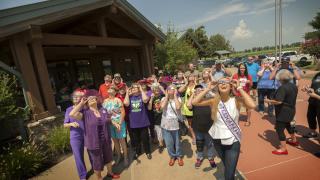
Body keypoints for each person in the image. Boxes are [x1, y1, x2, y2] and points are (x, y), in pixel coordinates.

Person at [192, 78, 256, 180]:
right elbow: (194, 102)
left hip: (233, 141)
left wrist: (239, 88)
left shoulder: (236, 100)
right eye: (220, 82)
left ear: (231, 86)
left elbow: (252, 105)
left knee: (229, 174)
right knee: (228, 166)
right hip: (217, 139)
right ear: (217, 87)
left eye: (226, 82)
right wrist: (207, 88)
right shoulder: (214, 101)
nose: (223, 84)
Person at [69, 89, 120, 180]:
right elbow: (72, 114)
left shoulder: (102, 110)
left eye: (93, 98)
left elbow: (108, 119)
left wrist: (115, 123)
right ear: (86, 102)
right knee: (97, 161)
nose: (92, 99)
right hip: (93, 142)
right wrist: (81, 103)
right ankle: (99, 178)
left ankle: (110, 173)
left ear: (97, 99)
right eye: (89, 99)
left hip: (106, 139)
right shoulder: (85, 114)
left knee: (108, 157)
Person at [265, 70, 299, 155]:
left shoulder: (282, 88)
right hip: (291, 110)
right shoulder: (294, 86)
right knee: (288, 125)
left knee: (279, 130)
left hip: (283, 112)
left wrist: (269, 101)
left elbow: (279, 101)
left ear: (280, 79)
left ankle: (283, 149)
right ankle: (294, 140)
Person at [187, 84, 216, 169]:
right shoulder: (194, 102)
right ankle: (200, 158)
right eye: (197, 90)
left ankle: (211, 158)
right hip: (198, 127)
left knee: (210, 144)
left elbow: (217, 97)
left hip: (209, 126)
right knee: (199, 144)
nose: (199, 90)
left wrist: (207, 90)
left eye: (201, 89)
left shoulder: (209, 100)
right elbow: (189, 105)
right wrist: (193, 94)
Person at [64, 89, 90, 180]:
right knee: (78, 156)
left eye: (77, 96)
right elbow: (65, 124)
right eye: (74, 96)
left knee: (91, 152)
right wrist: (71, 124)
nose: (75, 97)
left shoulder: (85, 108)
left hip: (87, 134)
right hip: (75, 136)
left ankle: (96, 168)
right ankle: (83, 176)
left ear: (81, 98)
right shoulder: (68, 109)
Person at [124, 83, 152, 160]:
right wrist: (127, 92)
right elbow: (126, 103)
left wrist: (141, 89)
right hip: (134, 122)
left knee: (145, 138)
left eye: (136, 88)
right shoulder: (129, 97)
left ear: (139, 89)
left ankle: (148, 151)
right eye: (132, 88)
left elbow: (146, 100)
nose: (134, 89)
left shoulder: (142, 96)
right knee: (136, 140)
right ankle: (138, 152)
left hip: (143, 121)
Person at [102, 87, 128, 167]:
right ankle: (119, 156)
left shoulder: (118, 100)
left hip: (119, 123)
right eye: (109, 90)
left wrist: (119, 123)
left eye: (112, 90)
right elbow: (103, 113)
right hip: (110, 124)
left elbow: (123, 112)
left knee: (122, 140)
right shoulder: (105, 101)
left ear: (115, 92)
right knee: (115, 141)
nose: (110, 91)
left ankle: (125, 157)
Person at [160, 85, 184, 166]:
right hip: (165, 124)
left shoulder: (178, 99)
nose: (171, 90)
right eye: (169, 88)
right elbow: (162, 107)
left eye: (173, 89)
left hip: (175, 124)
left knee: (177, 142)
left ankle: (179, 156)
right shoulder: (163, 99)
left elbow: (178, 107)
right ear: (167, 90)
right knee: (169, 143)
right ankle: (172, 156)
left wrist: (175, 96)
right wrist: (166, 96)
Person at [179, 74, 197, 144]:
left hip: (196, 107)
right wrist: (186, 83)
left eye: (192, 76)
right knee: (190, 124)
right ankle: (194, 137)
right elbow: (180, 90)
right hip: (187, 108)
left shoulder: (196, 85)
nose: (191, 77)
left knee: (197, 123)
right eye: (190, 76)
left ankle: (199, 136)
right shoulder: (186, 86)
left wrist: (195, 83)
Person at [302, 72, 320, 138]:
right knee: (310, 116)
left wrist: (315, 95)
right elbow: (313, 85)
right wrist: (308, 88)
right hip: (313, 101)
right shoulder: (317, 75)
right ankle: (313, 133)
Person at [148, 83, 165, 153]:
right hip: (156, 116)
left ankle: (166, 141)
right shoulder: (151, 97)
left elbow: (167, 95)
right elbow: (149, 108)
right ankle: (161, 143)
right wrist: (151, 98)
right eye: (154, 88)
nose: (156, 89)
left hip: (164, 116)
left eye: (157, 88)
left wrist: (162, 88)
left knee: (165, 130)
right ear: (152, 90)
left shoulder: (163, 96)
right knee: (158, 131)